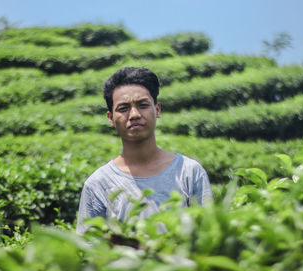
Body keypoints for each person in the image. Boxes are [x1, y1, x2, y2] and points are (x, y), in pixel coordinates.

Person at [76, 66, 212, 235]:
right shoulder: (98, 184)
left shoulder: (189, 172)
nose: (134, 114)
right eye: (123, 108)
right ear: (110, 118)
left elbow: (209, 236)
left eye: (143, 105)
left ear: (157, 110)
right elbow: (89, 249)